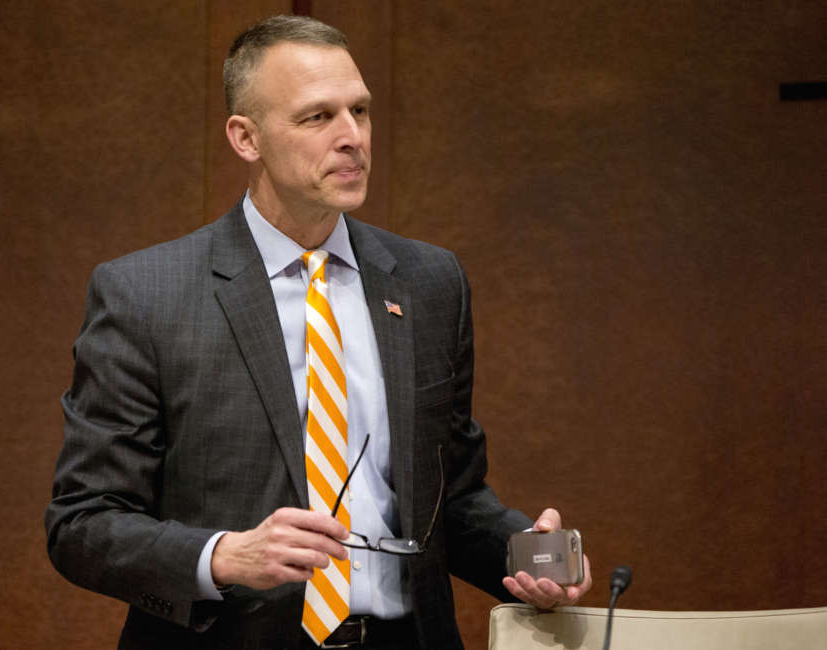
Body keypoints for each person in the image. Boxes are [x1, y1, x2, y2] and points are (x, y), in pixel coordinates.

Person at [45, 14, 591, 650]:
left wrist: (522, 554)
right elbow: (82, 524)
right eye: (317, 117)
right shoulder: (147, 294)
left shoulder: (429, 281)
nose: (352, 137)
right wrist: (224, 556)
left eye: (359, 111)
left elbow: (452, 497)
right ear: (245, 138)